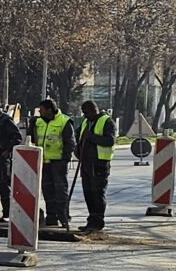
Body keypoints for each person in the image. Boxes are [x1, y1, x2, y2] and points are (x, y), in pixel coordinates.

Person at [73, 98, 119, 234]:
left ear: (94, 110)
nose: (84, 115)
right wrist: (78, 148)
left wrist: (92, 136)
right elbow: (80, 137)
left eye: (86, 112)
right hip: (86, 163)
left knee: (97, 194)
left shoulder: (107, 122)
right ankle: (91, 221)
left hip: (99, 163)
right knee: (88, 193)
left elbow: (110, 141)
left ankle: (97, 222)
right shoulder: (86, 122)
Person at [32, 97, 71, 229]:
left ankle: (64, 217)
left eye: (41, 110)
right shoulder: (38, 122)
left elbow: (69, 142)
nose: (39, 113)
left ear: (49, 110)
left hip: (58, 162)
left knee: (60, 191)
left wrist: (65, 159)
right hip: (44, 161)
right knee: (47, 190)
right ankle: (51, 216)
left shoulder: (64, 121)